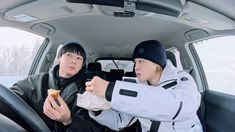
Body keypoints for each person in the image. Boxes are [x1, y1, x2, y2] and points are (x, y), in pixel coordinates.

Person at [85, 40, 203, 132]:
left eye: (141, 61)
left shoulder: (183, 80)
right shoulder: (140, 88)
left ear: (157, 64)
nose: (136, 67)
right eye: (135, 62)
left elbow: (179, 107)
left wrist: (111, 90)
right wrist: (98, 110)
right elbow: (120, 121)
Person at [10, 42, 103, 132]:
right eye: (69, 55)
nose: (74, 61)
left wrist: (69, 120)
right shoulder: (36, 81)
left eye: (79, 58)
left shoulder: (88, 91)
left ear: (82, 66)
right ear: (59, 58)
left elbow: (94, 128)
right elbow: (10, 97)